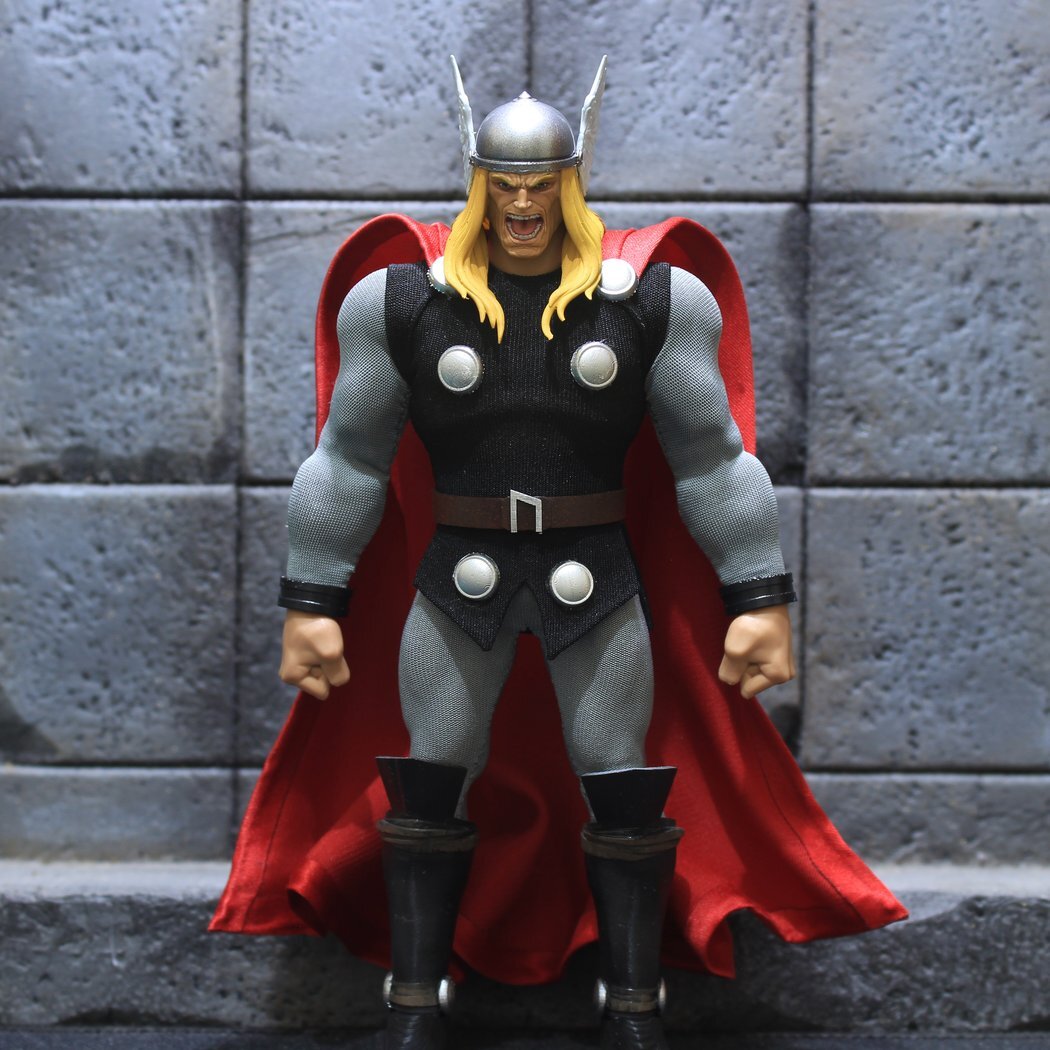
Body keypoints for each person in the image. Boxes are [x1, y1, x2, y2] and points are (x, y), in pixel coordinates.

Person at [212, 58, 906, 1050]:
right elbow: (349, 459)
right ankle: (416, 1002)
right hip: (460, 579)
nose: (524, 203)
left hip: (597, 579)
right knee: (431, 775)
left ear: (572, 182)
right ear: (478, 182)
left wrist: (759, 596)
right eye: (505, 183)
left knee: (617, 776)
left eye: (542, 184)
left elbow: (712, 460)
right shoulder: (403, 303)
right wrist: (312, 601)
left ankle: (634, 1005)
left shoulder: (650, 302)